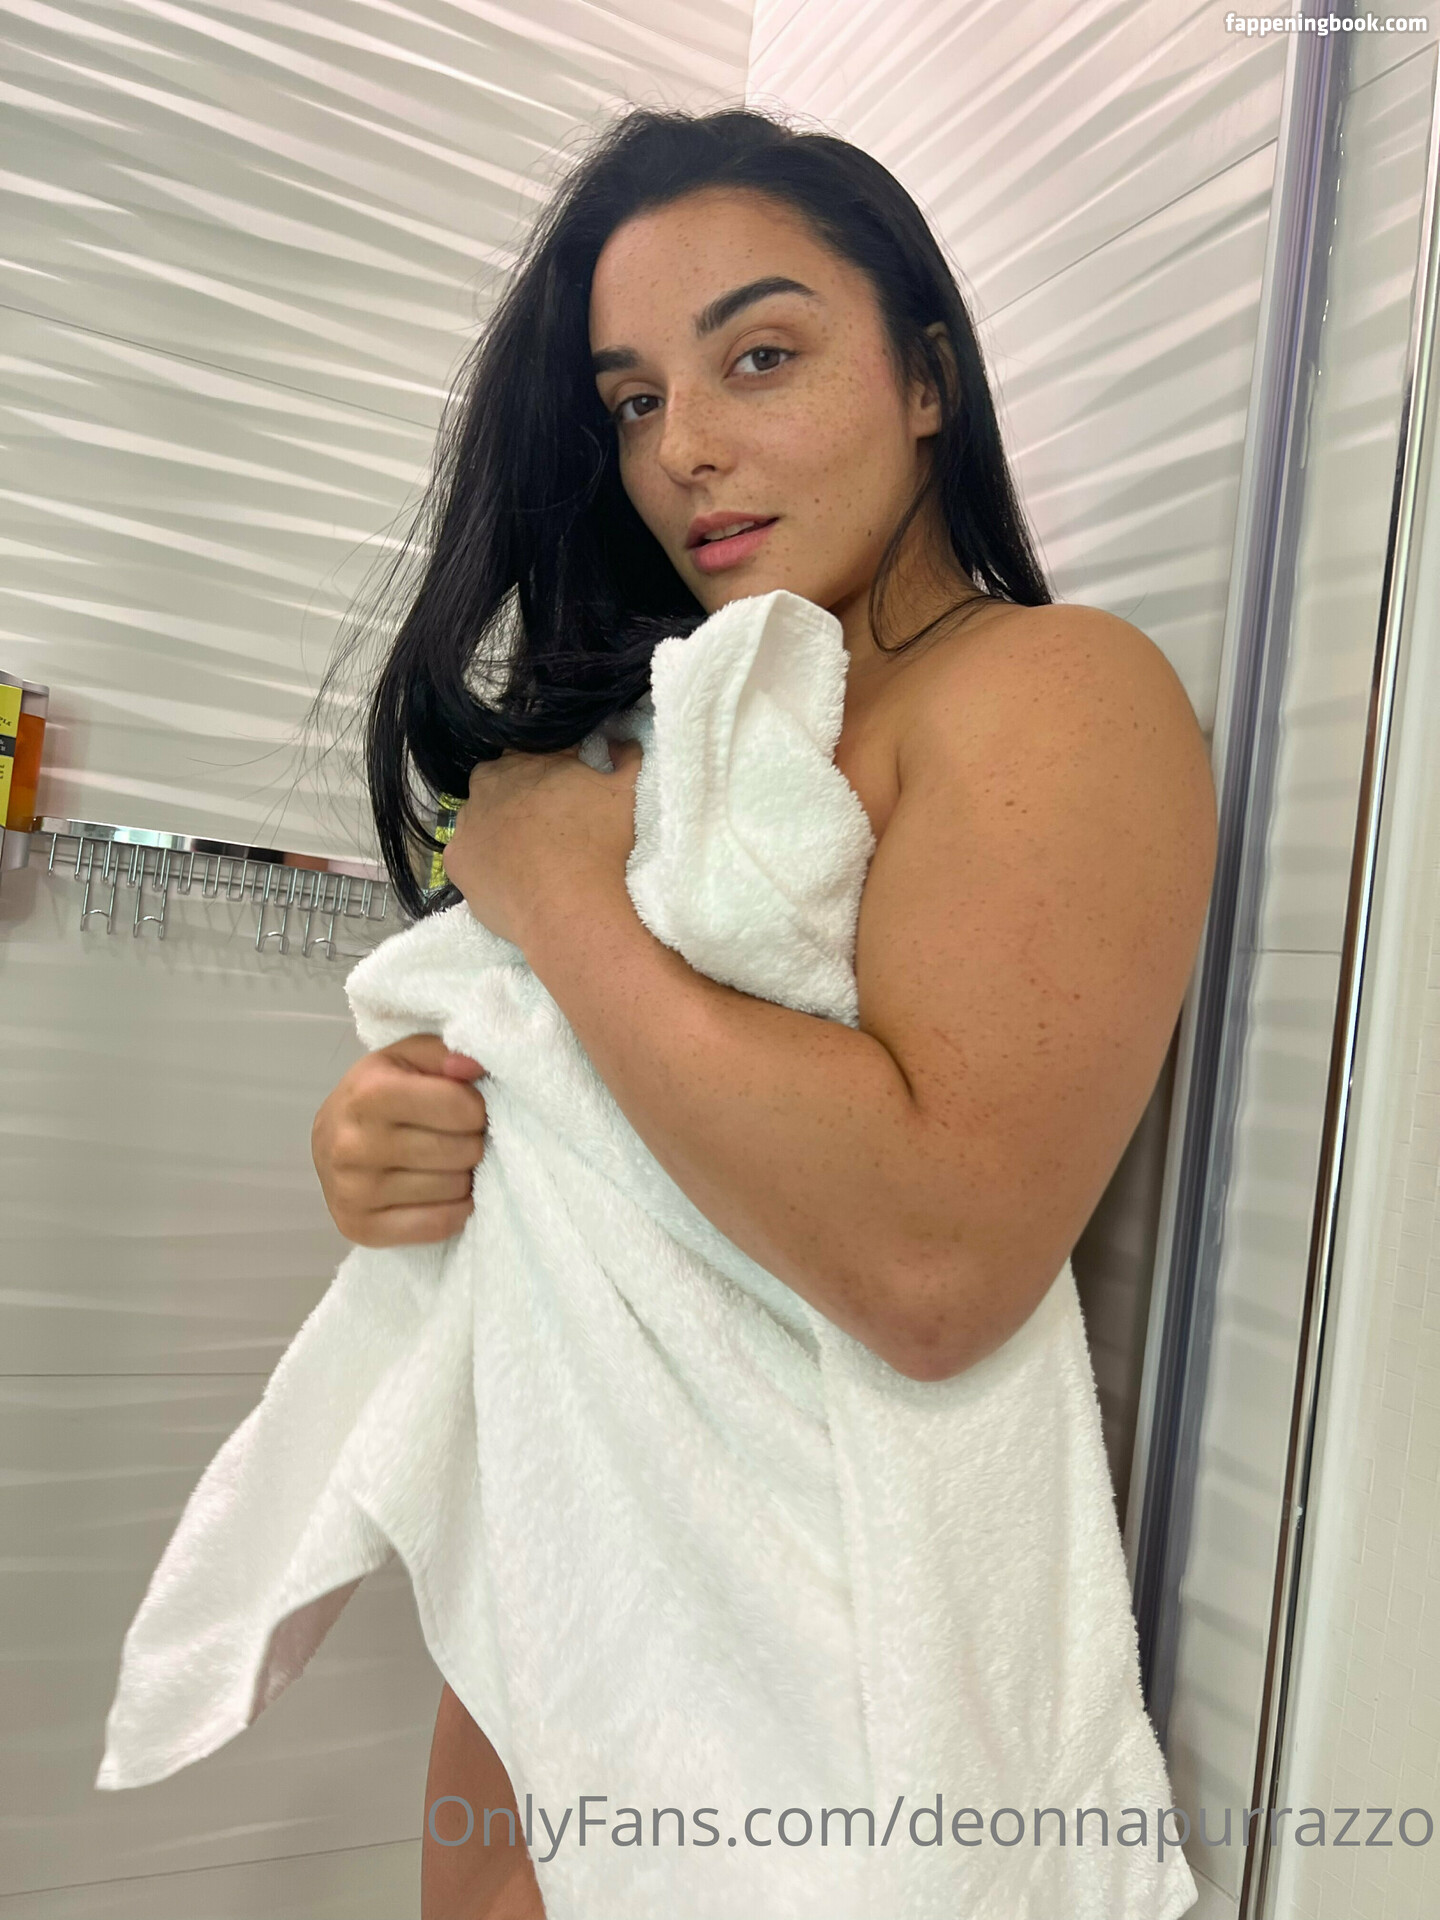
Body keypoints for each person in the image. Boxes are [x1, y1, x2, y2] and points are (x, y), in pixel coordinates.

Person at [310, 106, 1217, 1920]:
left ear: (929, 378)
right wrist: (402, 1142)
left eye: (762, 356)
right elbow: (598, 1145)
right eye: (635, 400)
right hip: (565, 1622)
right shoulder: (668, 738)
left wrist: (561, 900)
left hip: (822, 1703)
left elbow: (936, 1260)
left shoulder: (1055, 692)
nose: (686, 450)